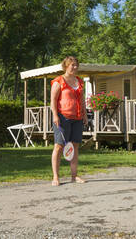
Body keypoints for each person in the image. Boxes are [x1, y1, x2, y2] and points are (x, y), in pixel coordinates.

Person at [50, 56, 88, 186]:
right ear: (66, 66)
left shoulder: (79, 81)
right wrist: (55, 116)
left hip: (77, 118)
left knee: (75, 146)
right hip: (62, 118)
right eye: (72, 65)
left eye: (76, 65)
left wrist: (85, 114)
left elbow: (82, 100)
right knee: (59, 146)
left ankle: (74, 176)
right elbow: (53, 101)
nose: (75, 67)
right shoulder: (58, 81)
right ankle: (55, 177)